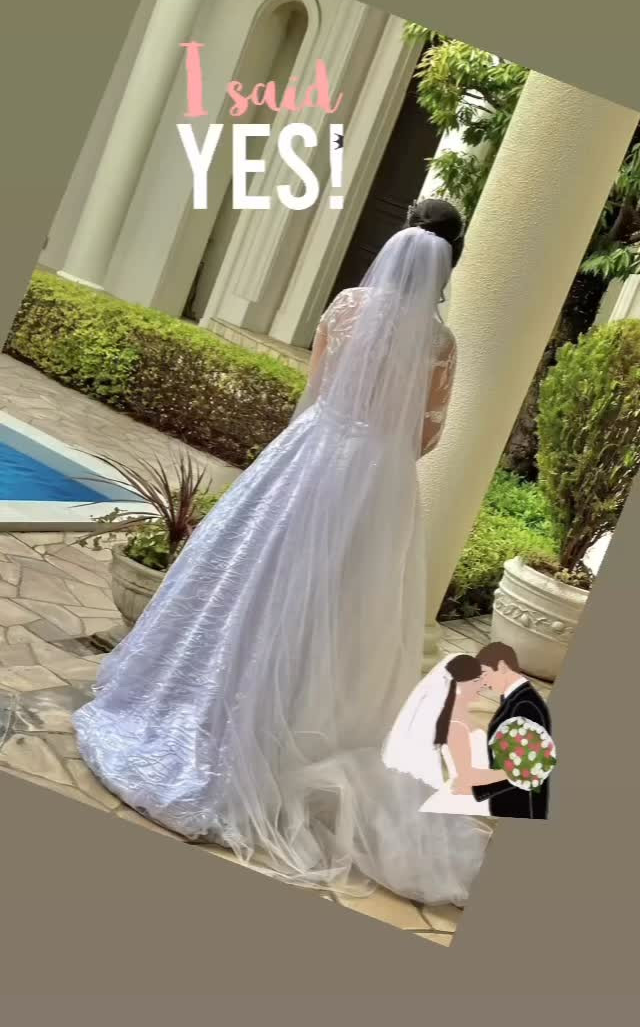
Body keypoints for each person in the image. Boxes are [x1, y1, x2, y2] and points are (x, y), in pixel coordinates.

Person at [73, 198, 492, 906]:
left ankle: (200, 705)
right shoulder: (440, 342)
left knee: (253, 580)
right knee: (346, 606)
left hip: (311, 451)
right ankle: (293, 737)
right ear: (450, 260)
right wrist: (379, 453)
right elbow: (427, 437)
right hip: (379, 483)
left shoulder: (348, 307)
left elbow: (317, 389)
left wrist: (336, 433)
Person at [382, 654, 507, 817]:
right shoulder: (456, 726)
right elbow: (466, 778)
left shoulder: (456, 714)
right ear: (459, 685)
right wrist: (509, 774)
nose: (482, 685)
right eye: (476, 681)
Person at [470, 642, 552, 819]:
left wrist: (478, 787)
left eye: (485, 673)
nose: (484, 682)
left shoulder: (525, 705)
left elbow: (528, 767)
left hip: (522, 807)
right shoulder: (513, 699)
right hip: (511, 804)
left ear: (502, 666)